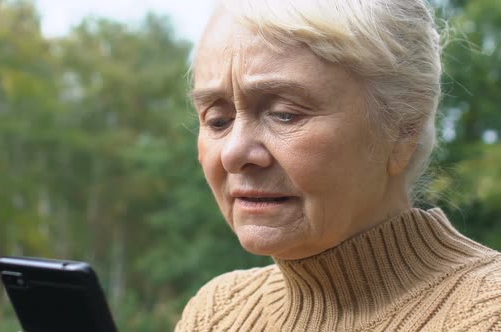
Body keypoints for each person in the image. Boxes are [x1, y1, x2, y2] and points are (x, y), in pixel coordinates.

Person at [175, 0, 501, 331]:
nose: (233, 153)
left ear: (404, 129)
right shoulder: (217, 314)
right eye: (218, 120)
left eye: (285, 113)